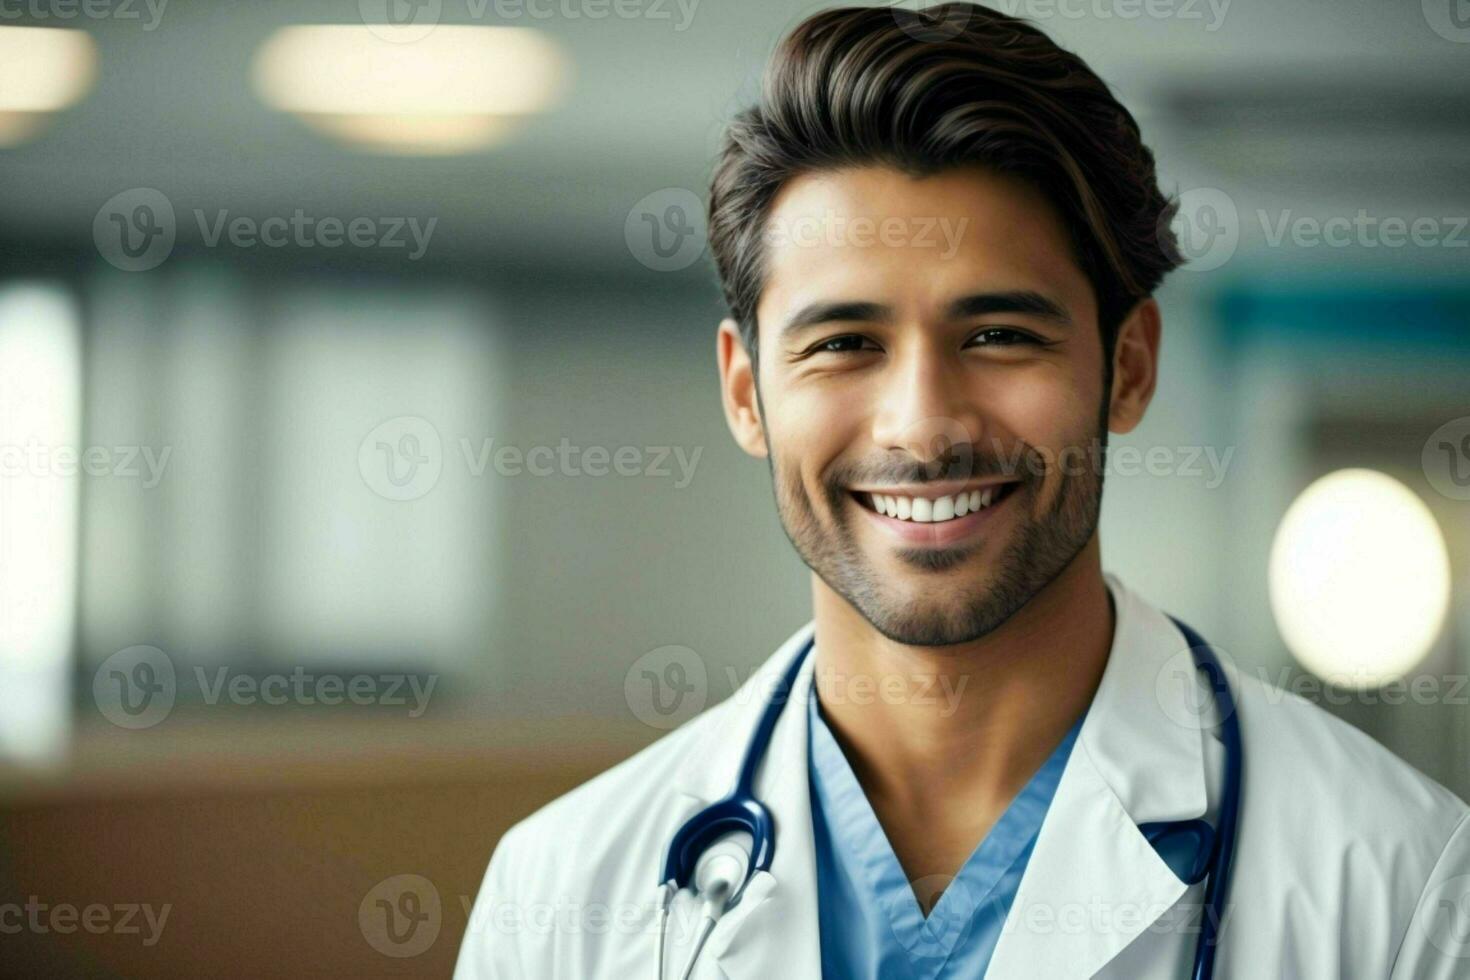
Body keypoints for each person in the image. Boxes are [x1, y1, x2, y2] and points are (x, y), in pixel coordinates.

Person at [455, 5, 1470, 977]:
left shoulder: (1400, 885)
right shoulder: (561, 900)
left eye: (998, 336)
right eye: (844, 343)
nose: (923, 423)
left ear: (1129, 366)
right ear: (744, 390)